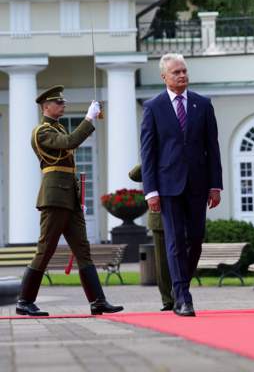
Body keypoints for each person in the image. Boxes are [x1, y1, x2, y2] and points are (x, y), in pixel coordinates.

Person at [16, 85, 123, 316]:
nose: (63, 105)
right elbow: (70, 142)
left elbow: (69, 144)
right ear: (46, 106)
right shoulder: (42, 132)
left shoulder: (58, 128)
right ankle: (24, 300)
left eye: (63, 102)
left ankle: (97, 300)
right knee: (46, 249)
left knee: (83, 250)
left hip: (69, 199)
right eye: (59, 103)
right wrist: (88, 117)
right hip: (54, 198)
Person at [140, 53, 223, 317]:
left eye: (184, 71)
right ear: (164, 77)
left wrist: (215, 185)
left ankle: (180, 287)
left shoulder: (203, 104)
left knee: (195, 239)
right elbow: (148, 152)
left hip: (198, 185)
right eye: (176, 72)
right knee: (175, 241)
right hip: (168, 186)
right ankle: (183, 297)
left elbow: (213, 148)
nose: (182, 76)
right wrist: (150, 190)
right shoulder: (153, 107)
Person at [129, 164, 175, 311]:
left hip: (180, 215)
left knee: (180, 258)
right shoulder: (155, 160)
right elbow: (133, 175)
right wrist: (151, 156)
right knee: (162, 263)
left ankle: (180, 294)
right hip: (159, 217)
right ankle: (167, 300)